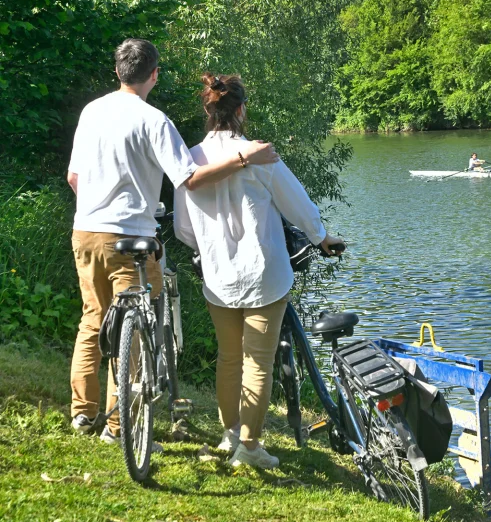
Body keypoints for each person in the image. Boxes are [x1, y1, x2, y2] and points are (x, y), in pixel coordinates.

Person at [67, 39, 279, 446]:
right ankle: (118, 427)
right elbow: (190, 179)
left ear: (117, 72)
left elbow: (74, 178)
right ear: (154, 75)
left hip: (85, 230)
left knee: (93, 320)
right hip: (131, 238)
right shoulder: (154, 121)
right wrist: (242, 159)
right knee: (134, 327)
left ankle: (82, 413)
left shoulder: (91, 112)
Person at [174, 73, 343, 469]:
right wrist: (322, 237)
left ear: (207, 109)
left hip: (218, 274)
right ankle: (249, 449)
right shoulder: (260, 154)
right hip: (264, 272)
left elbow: (184, 228)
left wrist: (211, 247)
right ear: (242, 110)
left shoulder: (191, 158)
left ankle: (230, 433)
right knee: (257, 361)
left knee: (229, 358)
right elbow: (297, 205)